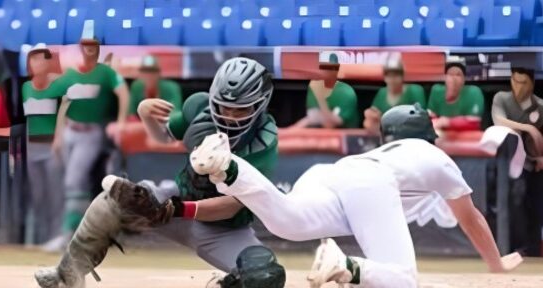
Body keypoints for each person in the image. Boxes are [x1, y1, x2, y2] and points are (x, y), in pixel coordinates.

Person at [190, 104, 523, 288]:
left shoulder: (388, 150)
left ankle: (229, 166)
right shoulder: (437, 157)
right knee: (403, 282)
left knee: (286, 221)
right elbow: (471, 219)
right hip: (370, 182)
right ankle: (345, 265)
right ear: (426, 134)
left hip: (334, 171)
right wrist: (496, 265)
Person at [35, 57, 285, 288]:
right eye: (223, 107)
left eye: (239, 109)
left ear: (260, 104)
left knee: (264, 275)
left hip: (224, 229)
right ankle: (67, 273)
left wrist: (179, 209)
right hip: (180, 196)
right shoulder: (199, 108)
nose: (229, 117)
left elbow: (232, 205)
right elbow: (163, 137)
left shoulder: (264, 139)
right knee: (114, 199)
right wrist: (146, 115)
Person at [44, 34, 130, 251]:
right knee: (69, 184)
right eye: (86, 45)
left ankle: (72, 234)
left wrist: (120, 123)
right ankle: (71, 232)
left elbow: (123, 93)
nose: (89, 49)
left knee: (75, 181)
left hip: (91, 133)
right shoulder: (72, 74)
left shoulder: (105, 73)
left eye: (93, 45)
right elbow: (63, 103)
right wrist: (58, 135)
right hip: (69, 132)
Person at [491, 64, 543, 256]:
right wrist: (528, 127)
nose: (518, 87)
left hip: (534, 164)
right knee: (514, 203)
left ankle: (534, 250)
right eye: (514, 81)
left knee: (536, 205)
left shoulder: (540, 105)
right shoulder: (501, 98)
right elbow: (498, 120)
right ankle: (515, 248)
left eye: (523, 82)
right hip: (508, 162)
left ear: (532, 83)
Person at [22, 45, 67, 244]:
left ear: (49, 63)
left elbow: (71, 87)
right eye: (33, 59)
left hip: (51, 148)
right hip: (32, 148)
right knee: (37, 195)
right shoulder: (26, 88)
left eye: (41, 59)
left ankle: (57, 237)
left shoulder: (57, 86)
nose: (36, 63)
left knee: (55, 194)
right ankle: (35, 239)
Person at [290, 55, 359, 129]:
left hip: (346, 134)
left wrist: (320, 96)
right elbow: (312, 117)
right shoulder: (314, 86)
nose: (324, 72)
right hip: (320, 132)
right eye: (322, 68)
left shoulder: (346, 93)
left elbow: (330, 125)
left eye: (329, 68)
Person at [364, 56, 426, 134]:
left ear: (402, 76)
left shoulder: (415, 90)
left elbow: (420, 117)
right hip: (386, 132)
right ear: (384, 78)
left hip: (409, 131)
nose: (392, 79)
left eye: (396, 75)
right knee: (368, 122)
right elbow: (373, 112)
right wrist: (370, 114)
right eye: (389, 76)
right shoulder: (382, 92)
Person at [428, 57, 484, 131]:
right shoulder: (436, 90)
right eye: (450, 74)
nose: (454, 78)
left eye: (458, 75)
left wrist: (447, 122)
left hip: (466, 135)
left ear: (464, 79)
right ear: (445, 78)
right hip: (441, 134)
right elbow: (430, 117)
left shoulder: (474, 92)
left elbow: (474, 122)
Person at [128, 55, 182, 119]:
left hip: (164, 125)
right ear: (140, 74)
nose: (148, 76)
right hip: (141, 125)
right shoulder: (136, 87)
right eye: (145, 72)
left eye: (153, 71)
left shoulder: (171, 88)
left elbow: (175, 116)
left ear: (159, 73)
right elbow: (131, 115)